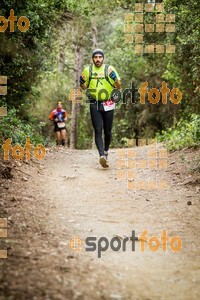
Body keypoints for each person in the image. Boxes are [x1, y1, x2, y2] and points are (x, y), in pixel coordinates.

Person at [80, 48, 121, 168]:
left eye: (100, 57)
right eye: (95, 57)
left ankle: (106, 151)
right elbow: (84, 87)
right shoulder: (88, 70)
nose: (98, 59)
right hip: (94, 103)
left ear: (103, 58)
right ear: (92, 58)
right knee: (98, 130)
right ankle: (101, 155)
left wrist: (115, 79)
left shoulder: (110, 69)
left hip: (108, 103)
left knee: (108, 131)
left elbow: (118, 86)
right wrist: (81, 82)